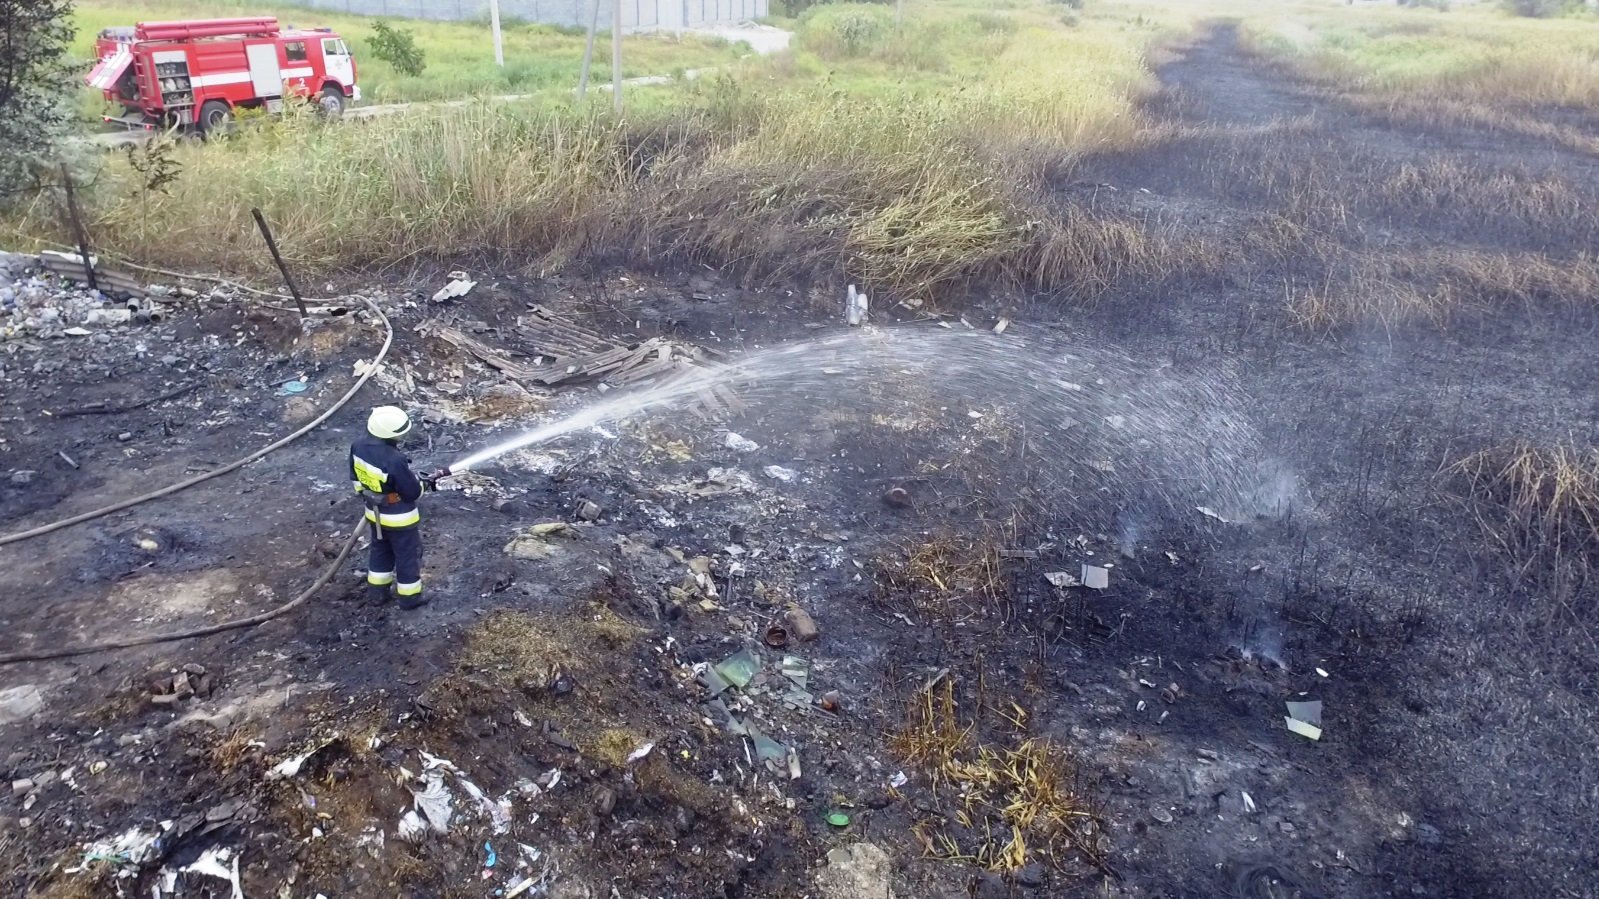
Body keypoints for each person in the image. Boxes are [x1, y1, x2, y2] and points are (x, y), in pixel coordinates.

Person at [349, 405, 431, 609]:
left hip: (374, 514)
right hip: (400, 518)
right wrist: (424, 484)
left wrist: (369, 494)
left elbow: (356, 478)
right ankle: (410, 598)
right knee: (407, 556)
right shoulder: (394, 459)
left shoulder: (357, 446)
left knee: (380, 551)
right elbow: (412, 493)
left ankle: (377, 594)